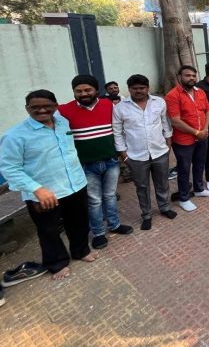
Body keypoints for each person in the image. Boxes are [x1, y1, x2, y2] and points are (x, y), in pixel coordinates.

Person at [0, 90, 98, 280]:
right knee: (48, 230)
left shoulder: (63, 123)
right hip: (44, 193)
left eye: (47, 106)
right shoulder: (14, 136)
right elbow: (9, 168)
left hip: (75, 184)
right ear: (27, 109)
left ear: (55, 106)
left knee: (79, 222)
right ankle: (57, 263)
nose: (42, 110)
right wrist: (36, 189)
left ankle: (80, 250)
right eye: (35, 107)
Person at [59, 75, 133, 249]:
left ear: (96, 91)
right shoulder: (63, 111)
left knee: (110, 196)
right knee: (94, 200)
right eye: (78, 91)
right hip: (86, 165)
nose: (83, 94)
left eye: (87, 90)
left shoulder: (109, 105)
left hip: (111, 161)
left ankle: (114, 225)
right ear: (73, 92)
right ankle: (98, 233)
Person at [112, 74, 177, 230]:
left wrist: (168, 142)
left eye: (142, 88)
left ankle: (164, 207)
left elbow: (165, 123)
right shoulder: (120, 107)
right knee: (142, 187)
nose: (138, 91)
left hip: (159, 151)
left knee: (162, 182)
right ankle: (146, 215)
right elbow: (117, 132)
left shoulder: (159, 102)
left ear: (147, 88)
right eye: (134, 88)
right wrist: (123, 154)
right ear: (129, 89)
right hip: (135, 155)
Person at [165, 66, 209, 212]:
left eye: (193, 75)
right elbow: (175, 120)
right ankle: (184, 198)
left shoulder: (200, 92)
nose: (191, 78)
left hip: (202, 136)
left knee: (200, 164)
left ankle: (199, 189)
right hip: (183, 140)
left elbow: (208, 110)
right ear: (179, 76)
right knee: (184, 169)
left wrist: (205, 129)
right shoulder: (172, 95)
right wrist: (196, 132)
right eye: (187, 75)